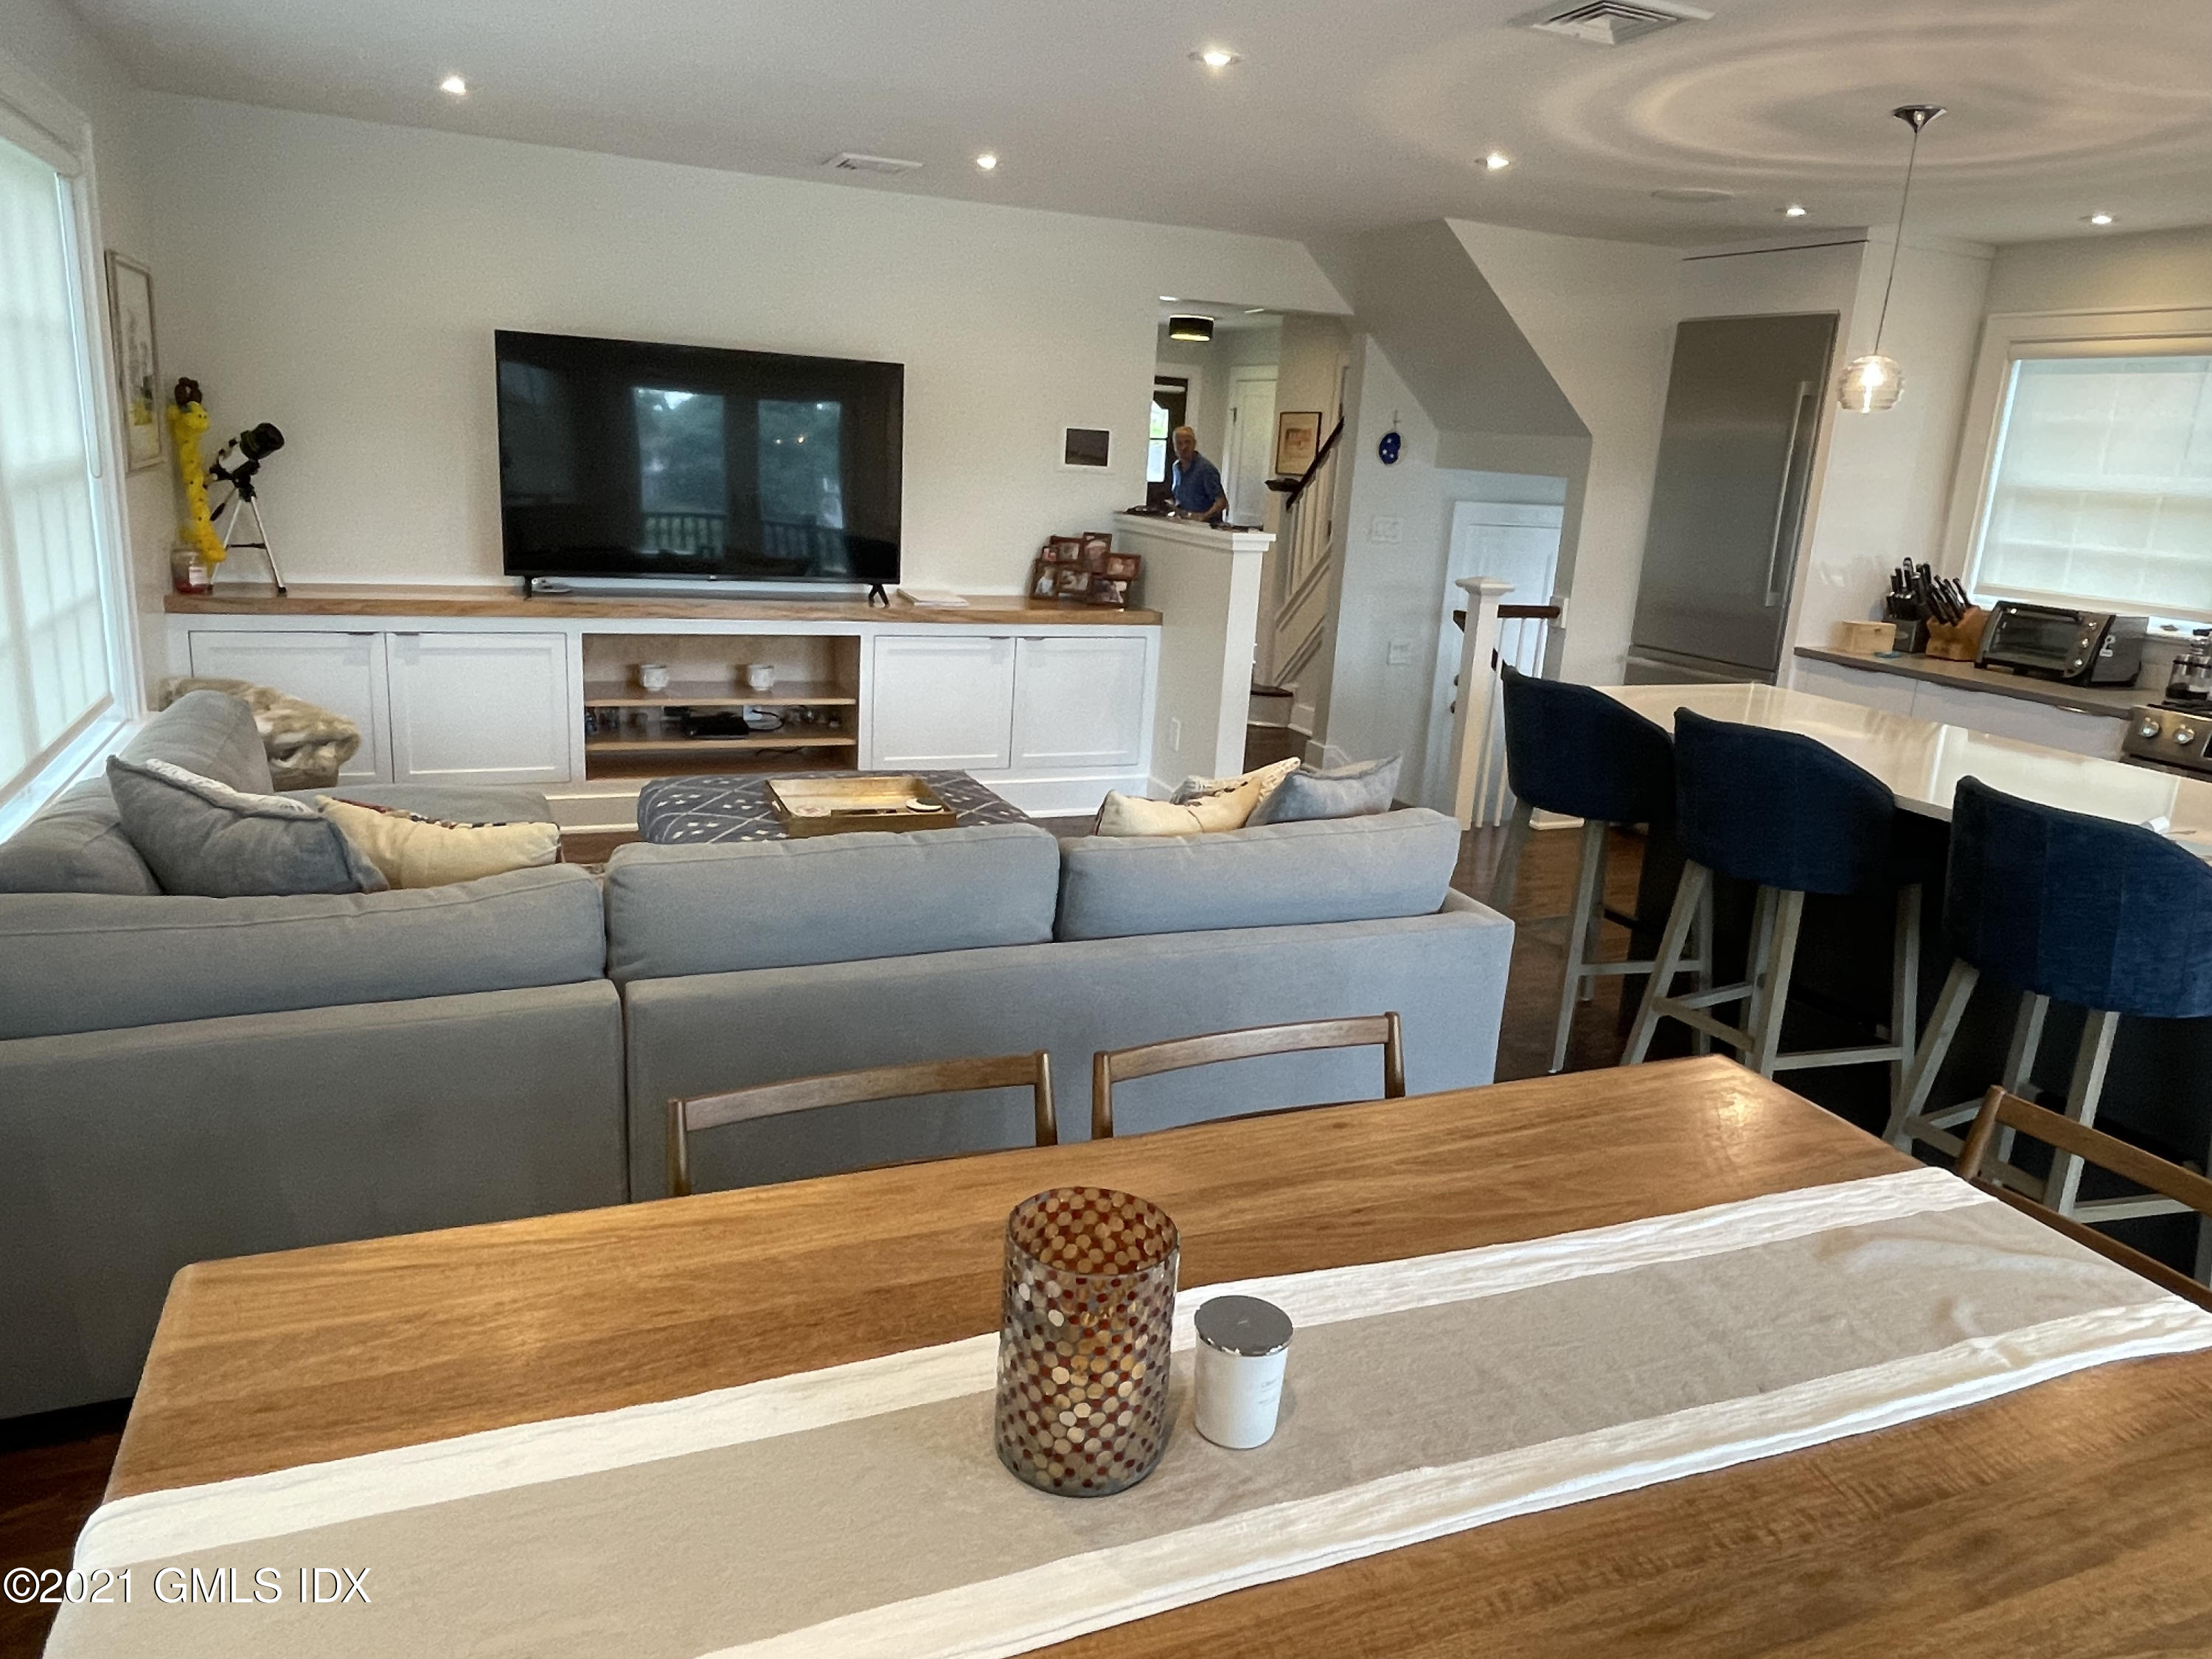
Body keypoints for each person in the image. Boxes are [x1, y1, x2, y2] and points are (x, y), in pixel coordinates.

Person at [1168, 426, 1228, 524]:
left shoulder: (1206, 469)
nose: (1184, 447)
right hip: (1184, 522)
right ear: (1174, 447)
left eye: (1187, 442)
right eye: (1179, 443)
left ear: (1194, 444)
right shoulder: (1176, 467)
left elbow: (1221, 502)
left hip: (1206, 526)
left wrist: (1203, 517)